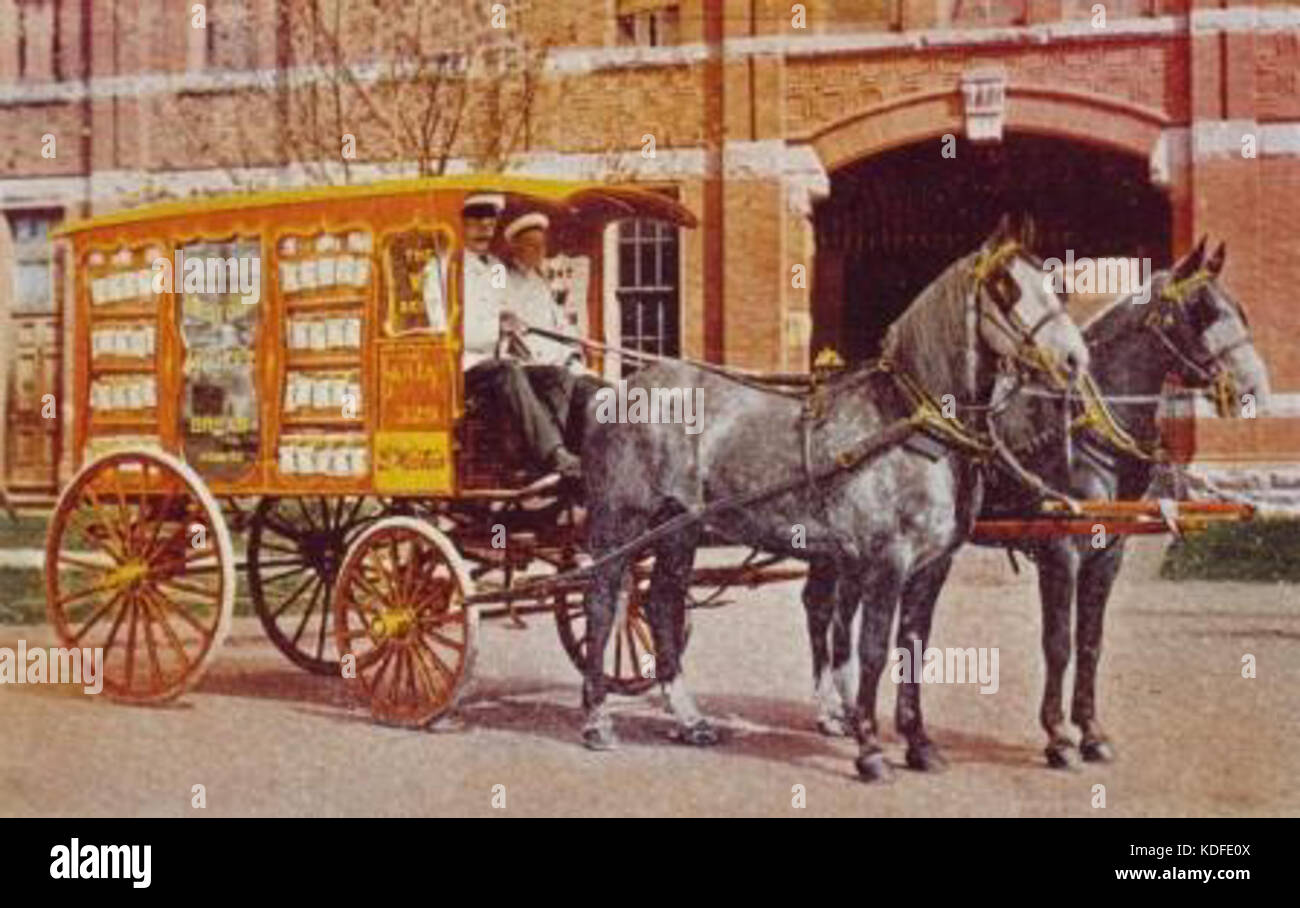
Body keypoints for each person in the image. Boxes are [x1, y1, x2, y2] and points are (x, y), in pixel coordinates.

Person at [446, 193, 581, 479]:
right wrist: (497, 326)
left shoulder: (494, 267)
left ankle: (557, 453)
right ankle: (553, 454)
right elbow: (448, 327)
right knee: (508, 370)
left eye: (489, 222)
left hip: (495, 362)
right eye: (475, 222)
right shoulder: (447, 268)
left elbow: (501, 303)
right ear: (462, 225)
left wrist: (510, 318)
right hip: (463, 366)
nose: (484, 228)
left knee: (555, 376)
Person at [503, 212, 607, 453]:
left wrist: (580, 343)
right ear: (515, 246)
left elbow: (560, 324)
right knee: (562, 380)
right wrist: (503, 314)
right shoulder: (501, 274)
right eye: (532, 245)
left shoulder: (539, 282)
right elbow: (497, 305)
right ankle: (556, 452)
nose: (539, 251)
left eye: (542, 245)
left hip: (557, 359)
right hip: (528, 362)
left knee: (600, 390)